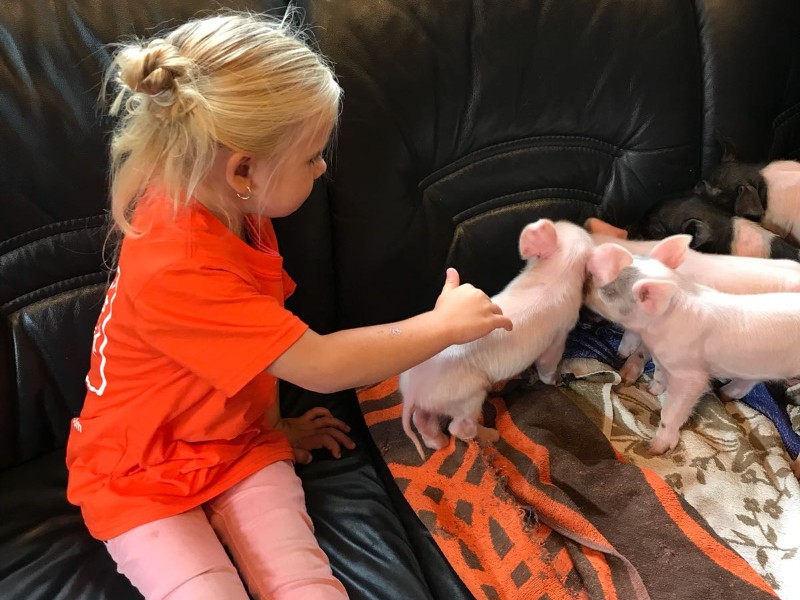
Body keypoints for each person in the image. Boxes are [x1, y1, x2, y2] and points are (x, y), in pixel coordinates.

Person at [65, 10, 512, 600]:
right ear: (243, 169)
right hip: (138, 474)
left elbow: (252, 348)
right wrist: (441, 326)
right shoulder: (179, 262)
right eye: (311, 157)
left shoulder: (231, 210)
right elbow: (318, 363)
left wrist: (273, 426)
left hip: (239, 443)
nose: (323, 167)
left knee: (308, 586)